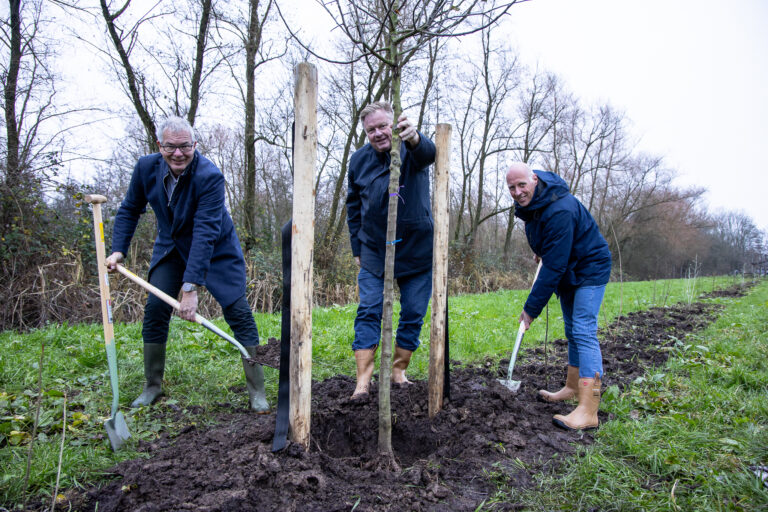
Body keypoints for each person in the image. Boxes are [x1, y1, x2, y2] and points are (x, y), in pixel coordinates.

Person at [105, 116, 268, 412]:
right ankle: (152, 386)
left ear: (194, 145)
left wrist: (190, 287)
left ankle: (257, 391)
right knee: (155, 310)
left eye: (184, 147)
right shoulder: (145, 168)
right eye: (170, 147)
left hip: (216, 250)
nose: (178, 154)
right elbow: (130, 208)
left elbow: (205, 232)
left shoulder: (209, 176)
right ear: (159, 145)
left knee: (238, 311)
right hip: (171, 249)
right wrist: (118, 251)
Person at [506, 162, 612, 430]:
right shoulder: (536, 205)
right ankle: (572, 388)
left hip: (589, 267)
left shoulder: (559, 208)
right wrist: (543, 249)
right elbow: (553, 247)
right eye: (511, 187)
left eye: (522, 185)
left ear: (535, 180)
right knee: (571, 330)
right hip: (569, 267)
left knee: (584, 330)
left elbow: (554, 266)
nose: (517, 192)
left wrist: (531, 309)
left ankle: (589, 410)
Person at [346, 101, 436, 399]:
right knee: (369, 309)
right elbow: (353, 205)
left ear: (394, 124)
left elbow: (429, 154)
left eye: (383, 126)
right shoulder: (358, 161)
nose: (378, 133)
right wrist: (357, 246)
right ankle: (363, 381)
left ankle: (399, 370)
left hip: (416, 250)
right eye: (371, 129)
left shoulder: (411, 148)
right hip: (374, 250)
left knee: (412, 311)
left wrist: (414, 137)